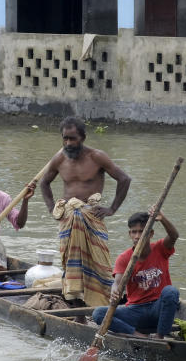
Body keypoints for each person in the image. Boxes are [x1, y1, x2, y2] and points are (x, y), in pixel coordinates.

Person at [39, 116, 131, 307]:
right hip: (68, 219)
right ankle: (77, 313)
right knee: (72, 268)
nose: (68, 143)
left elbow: (124, 179)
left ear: (83, 137)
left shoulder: (97, 156)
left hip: (92, 217)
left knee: (100, 266)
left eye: (72, 138)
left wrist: (112, 209)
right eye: (65, 138)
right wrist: (52, 208)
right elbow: (44, 183)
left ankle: (103, 306)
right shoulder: (59, 158)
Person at [92, 208, 180, 339]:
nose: (137, 236)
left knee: (171, 292)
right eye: (134, 232)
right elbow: (117, 283)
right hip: (135, 311)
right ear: (130, 234)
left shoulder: (160, 248)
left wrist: (162, 219)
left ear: (150, 234)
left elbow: (174, 236)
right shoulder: (124, 258)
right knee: (98, 313)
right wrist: (115, 292)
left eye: (141, 232)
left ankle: (159, 337)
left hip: (158, 310)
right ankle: (138, 335)